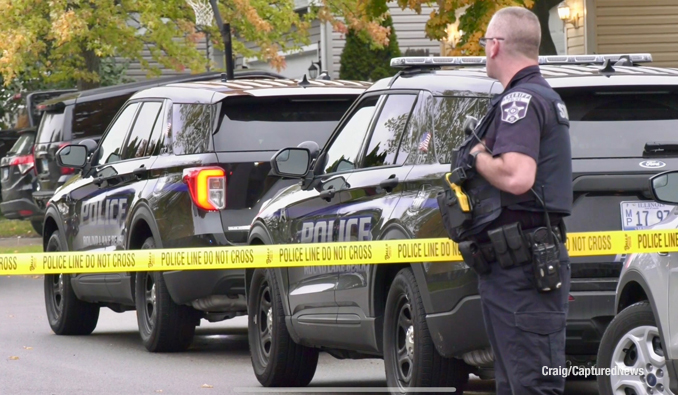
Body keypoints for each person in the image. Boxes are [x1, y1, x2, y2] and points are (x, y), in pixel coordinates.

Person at [440, 6, 573, 395]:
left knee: (531, 385)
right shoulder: (532, 97)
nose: (484, 51)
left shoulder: (522, 102)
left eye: (485, 43)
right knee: (517, 383)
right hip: (515, 268)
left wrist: (478, 156)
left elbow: (517, 177)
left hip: (521, 271)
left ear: (496, 46)